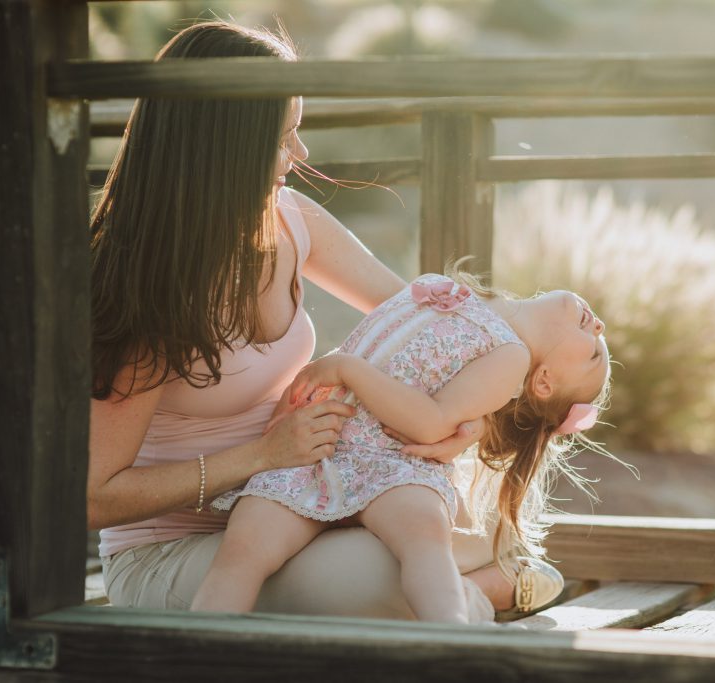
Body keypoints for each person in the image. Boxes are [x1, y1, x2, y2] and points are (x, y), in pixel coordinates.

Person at [89, 19, 563, 622]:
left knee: (457, 533)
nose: (301, 154)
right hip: (172, 551)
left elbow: (421, 322)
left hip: (299, 505)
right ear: (226, 145)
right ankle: (496, 594)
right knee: (398, 575)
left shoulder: (289, 219)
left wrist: (455, 420)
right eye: (285, 137)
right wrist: (261, 455)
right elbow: (94, 498)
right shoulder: (145, 286)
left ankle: (486, 580)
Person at [191, 272, 611, 622]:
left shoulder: (512, 357)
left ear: (544, 383)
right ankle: (191, 653)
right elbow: (381, 347)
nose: (600, 328)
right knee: (243, 549)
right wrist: (287, 413)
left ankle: (449, 640)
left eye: (594, 354)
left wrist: (346, 369)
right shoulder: (462, 292)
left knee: (426, 541)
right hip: (314, 450)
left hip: (392, 462)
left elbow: (430, 422)